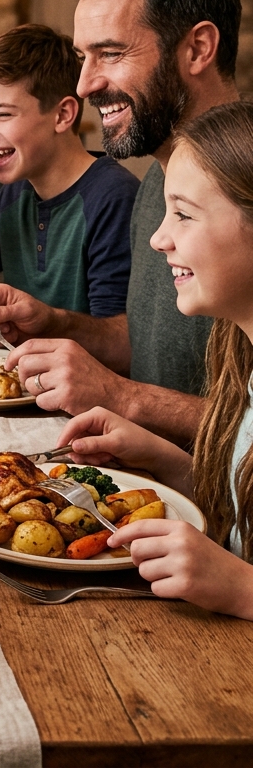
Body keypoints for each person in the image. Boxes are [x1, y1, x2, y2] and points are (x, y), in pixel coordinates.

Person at [0, 0, 241, 445]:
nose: (84, 85)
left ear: (197, 48)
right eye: (84, 56)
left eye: (111, 53)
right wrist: (57, 323)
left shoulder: (244, 189)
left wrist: (121, 396)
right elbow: (149, 345)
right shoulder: (157, 180)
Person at [57, 102, 253, 617]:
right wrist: (162, 460)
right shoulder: (240, 355)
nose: (157, 238)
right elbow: (242, 510)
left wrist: (242, 588)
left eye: (183, 214)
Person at [0, 24, 138, 316]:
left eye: (2, 114)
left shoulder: (114, 199)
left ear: (63, 115)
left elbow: (117, 333)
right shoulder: (16, 194)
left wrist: (47, 323)